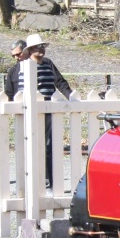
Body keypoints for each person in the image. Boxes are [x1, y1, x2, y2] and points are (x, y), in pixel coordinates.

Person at [19, 33, 73, 189]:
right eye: (37, 47)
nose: (41, 49)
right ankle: (38, 181)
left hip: (50, 109)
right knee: (37, 146)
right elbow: (23, 90)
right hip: (35, 110)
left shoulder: (48, 65)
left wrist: (70, 96)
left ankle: (50, 181)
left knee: (50, 146)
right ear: (30, 50)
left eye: (42, 46)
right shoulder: (27, 66)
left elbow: (58, 82)